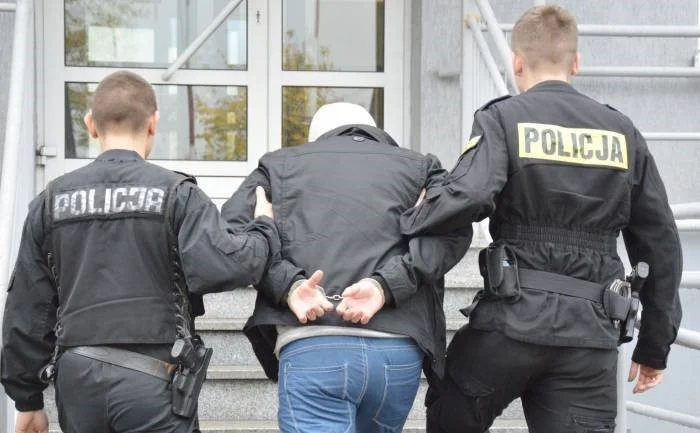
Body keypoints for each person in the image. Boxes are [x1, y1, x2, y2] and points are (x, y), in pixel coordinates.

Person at [400, 5, 683, 433]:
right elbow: (660, 243)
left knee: (451, 411)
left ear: (516, 62)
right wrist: (654, 345)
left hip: (510, 324)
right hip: (589, 337)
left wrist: (412, 216)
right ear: (576, 62)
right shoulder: (622, 132)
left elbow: (470, 194)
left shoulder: (502, 119)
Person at [1, 71, 279, 433]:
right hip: (154, 382)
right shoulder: (178, 194)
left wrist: (28, 399)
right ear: (153, 123)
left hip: (78, 382)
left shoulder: (50, 202)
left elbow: (28, 308)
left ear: (90, 125)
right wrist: (264, 227)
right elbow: (227, 265)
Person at [222, 102, 470, 433]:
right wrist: (386, 285)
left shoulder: (277, 166)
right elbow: (453, 230)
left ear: (318, 138)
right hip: (397, 350)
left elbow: (229, 240)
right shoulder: (421, 167)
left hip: (312, 345)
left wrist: (289, 285)